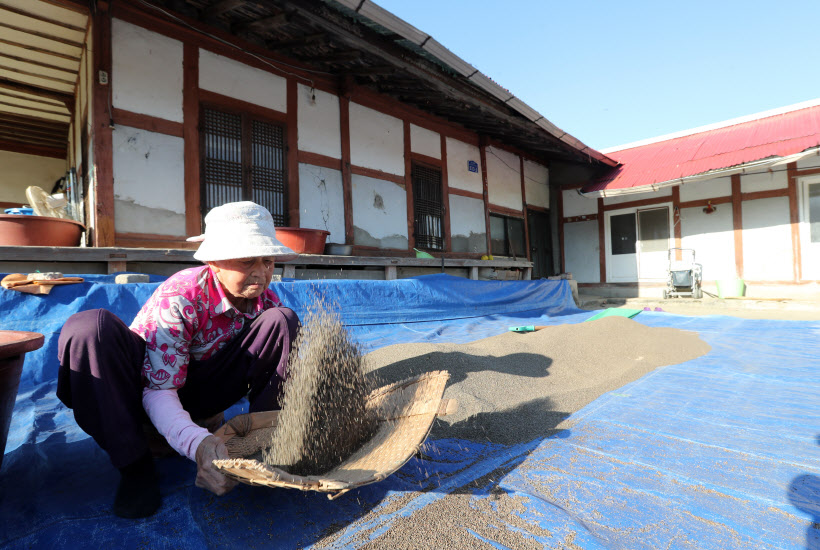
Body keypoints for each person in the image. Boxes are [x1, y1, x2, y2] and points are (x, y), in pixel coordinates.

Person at [56, 202, 300, 519]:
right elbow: (157, 390)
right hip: (141, 398)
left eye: (268, 262)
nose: (262, 272)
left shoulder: (266, 301)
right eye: (246, 261)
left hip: (199, 397)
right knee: (90, 328)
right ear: (213, 261)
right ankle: (134, 465)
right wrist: (197, 444)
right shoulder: (183, 294)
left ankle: (265, 445)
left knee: (282, 320)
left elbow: (279, 363)